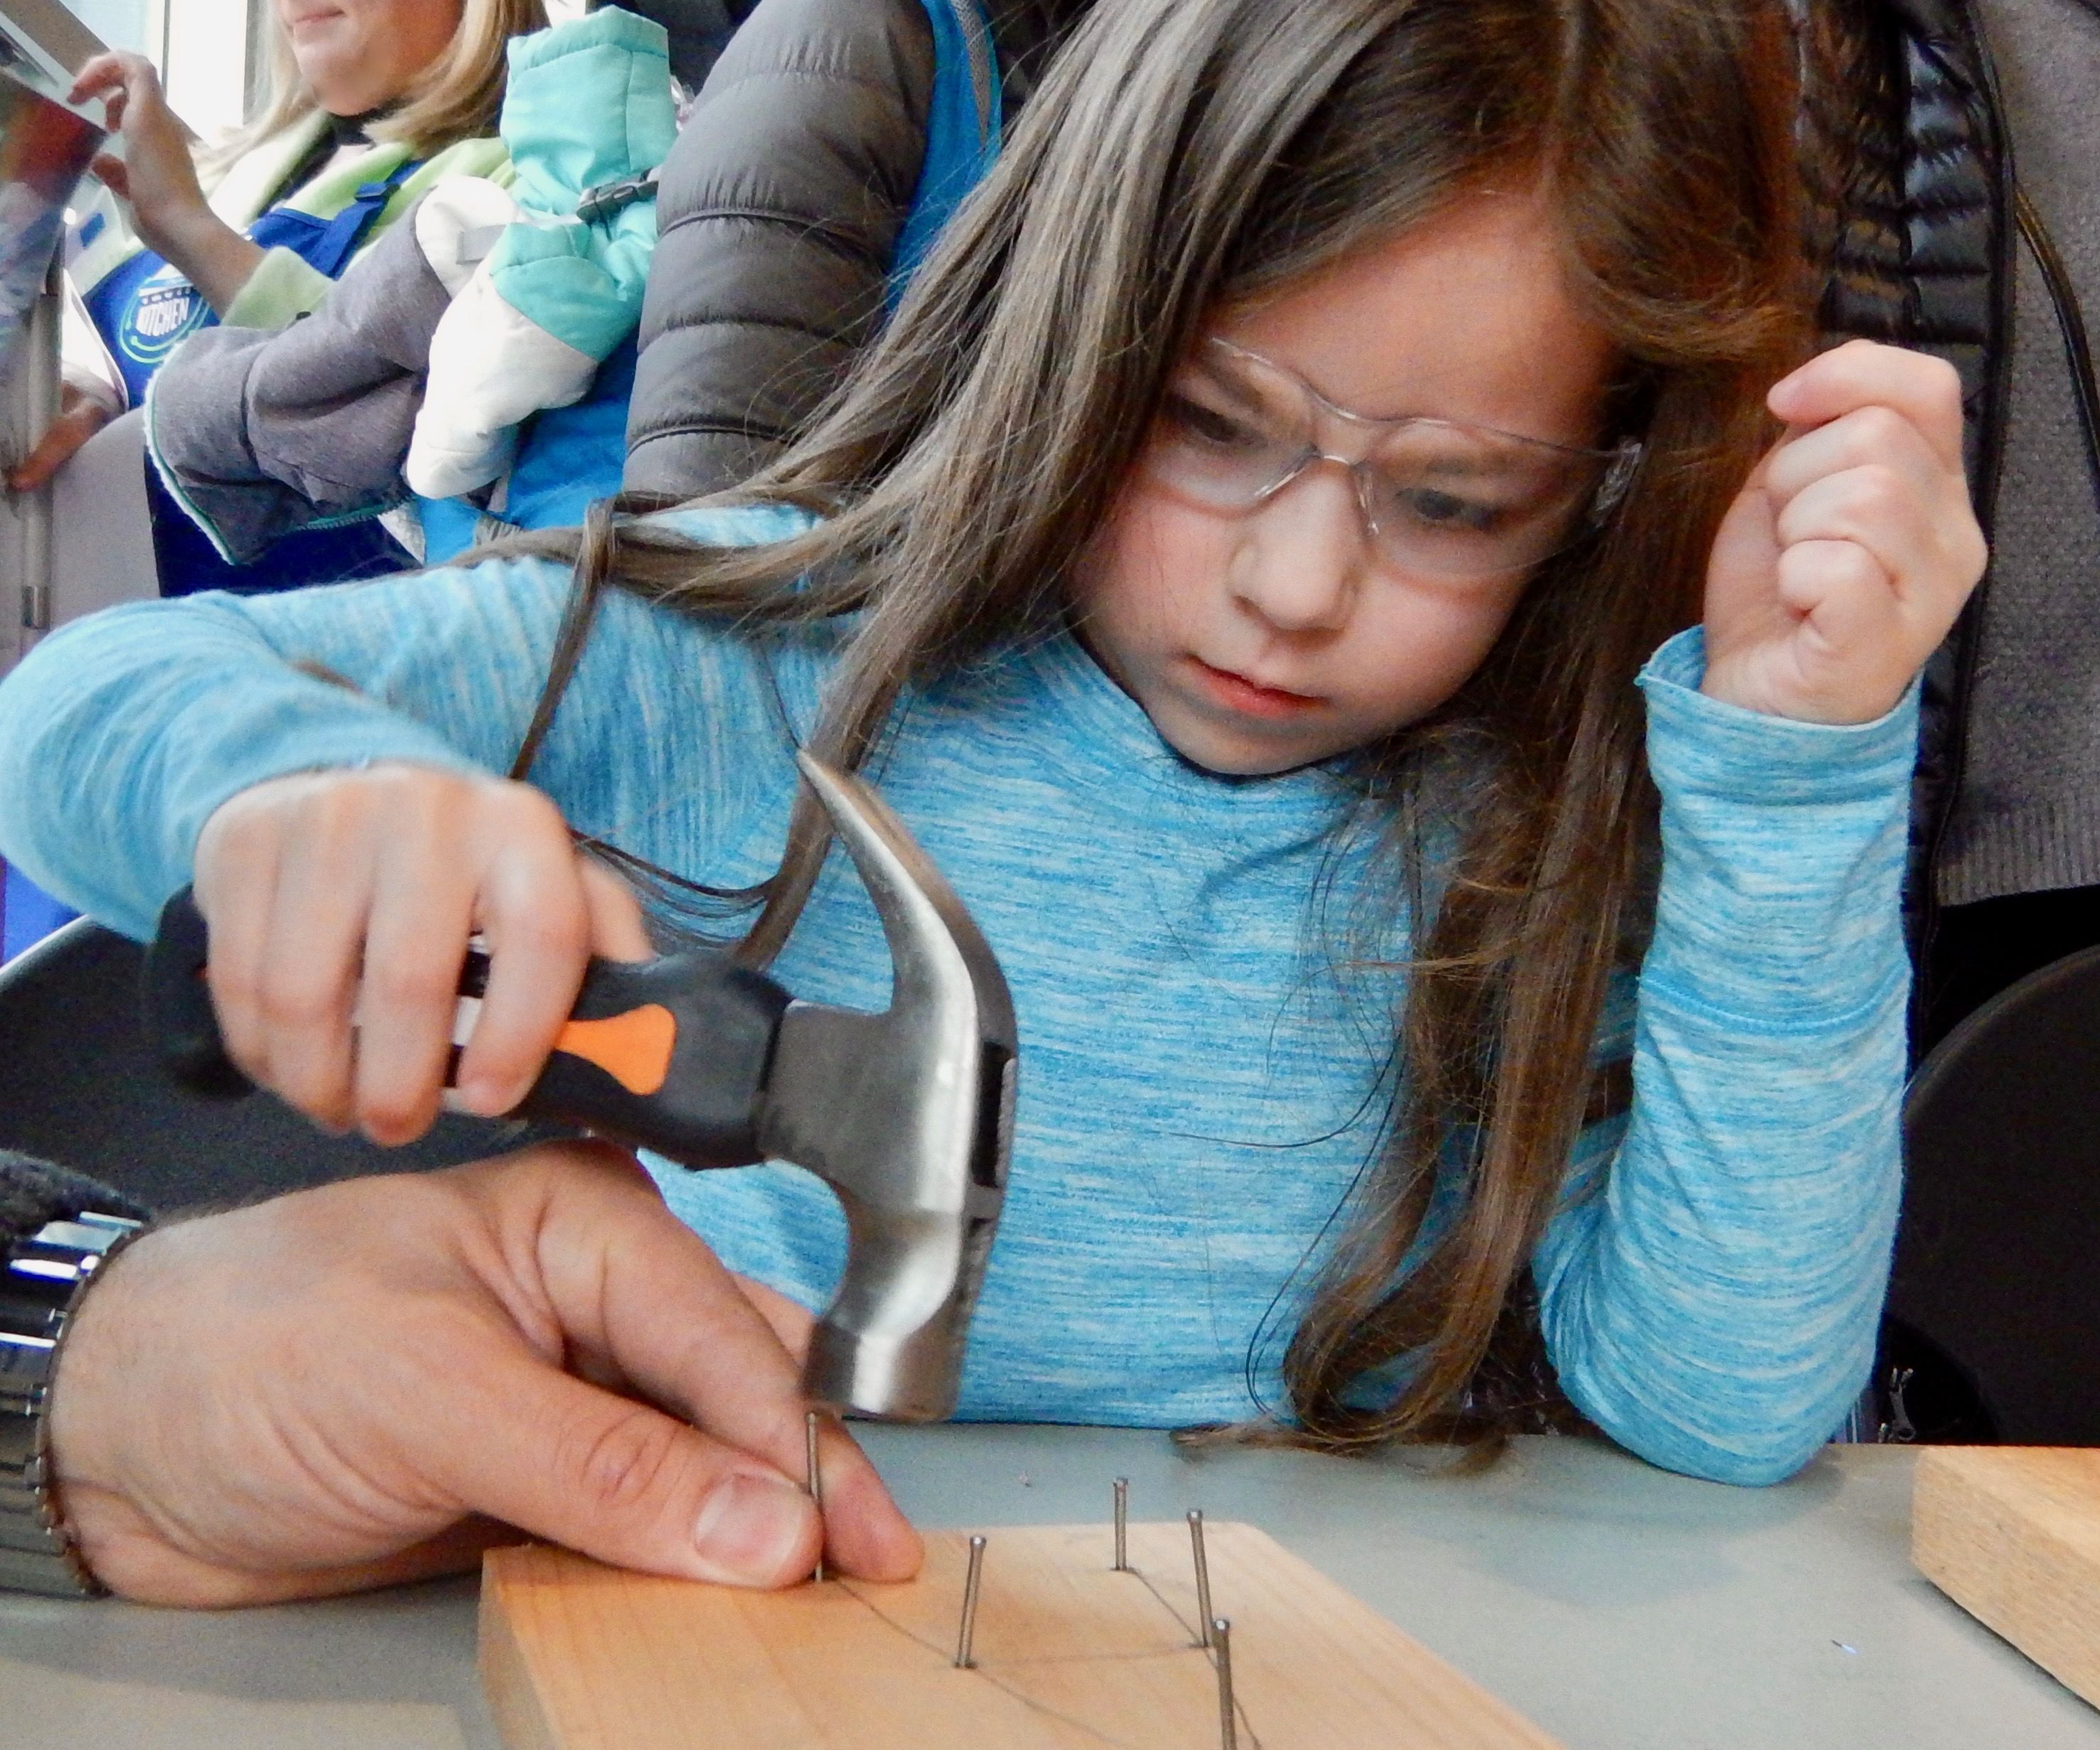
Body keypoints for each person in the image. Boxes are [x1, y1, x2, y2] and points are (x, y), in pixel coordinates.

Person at [0, 0, 1984, 1604]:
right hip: (706, 1618)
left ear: (1600, 490)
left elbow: (1719, 1414)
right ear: (1071, 316)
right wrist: (310, 789)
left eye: (1450, 500)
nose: (1292, 589)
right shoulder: (770, 651)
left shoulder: (1560, 823)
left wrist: (1794, 772)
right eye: (1212, 424)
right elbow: (74, 712)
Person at [15, 0, 544, 593]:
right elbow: (93, 344)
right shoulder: (211, 169)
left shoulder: (527, 182)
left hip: (325, 654)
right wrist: (76, 394)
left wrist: (193, 234)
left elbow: (399, 414)